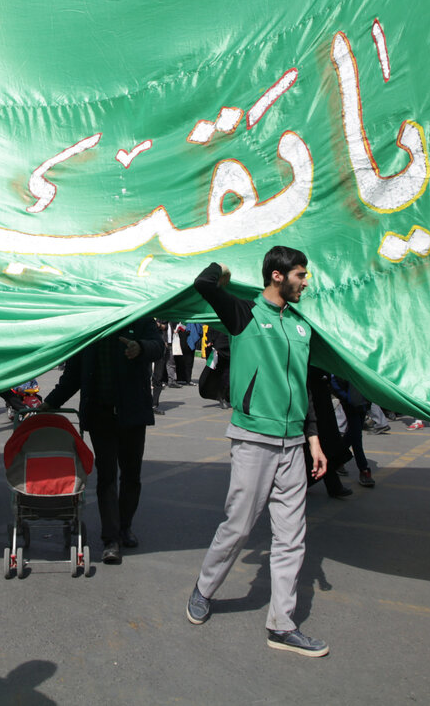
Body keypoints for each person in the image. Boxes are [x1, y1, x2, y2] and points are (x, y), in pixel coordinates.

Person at [185, 247, 329, 657]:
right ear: (278, 276)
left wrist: (313, 439)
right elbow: (203, 284)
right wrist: (225, 269)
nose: (307, 281)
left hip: (294, 444)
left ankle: (281, 625)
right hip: (253, 440)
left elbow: (304, 389)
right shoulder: (245, 315)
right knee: (239, 526)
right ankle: (205, 588)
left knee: (291, 537)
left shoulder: (301, 326)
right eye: (301, 274)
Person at [42, 317, 164, 564]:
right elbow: (73, 374)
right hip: (100, 414)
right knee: (107, 476)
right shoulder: (89, 323)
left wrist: (140, 347)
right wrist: (49, 404)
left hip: (132, 413)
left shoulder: (139, 316)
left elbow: (158, 346)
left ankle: (124, 527)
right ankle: (111, 540)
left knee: (131, 475)